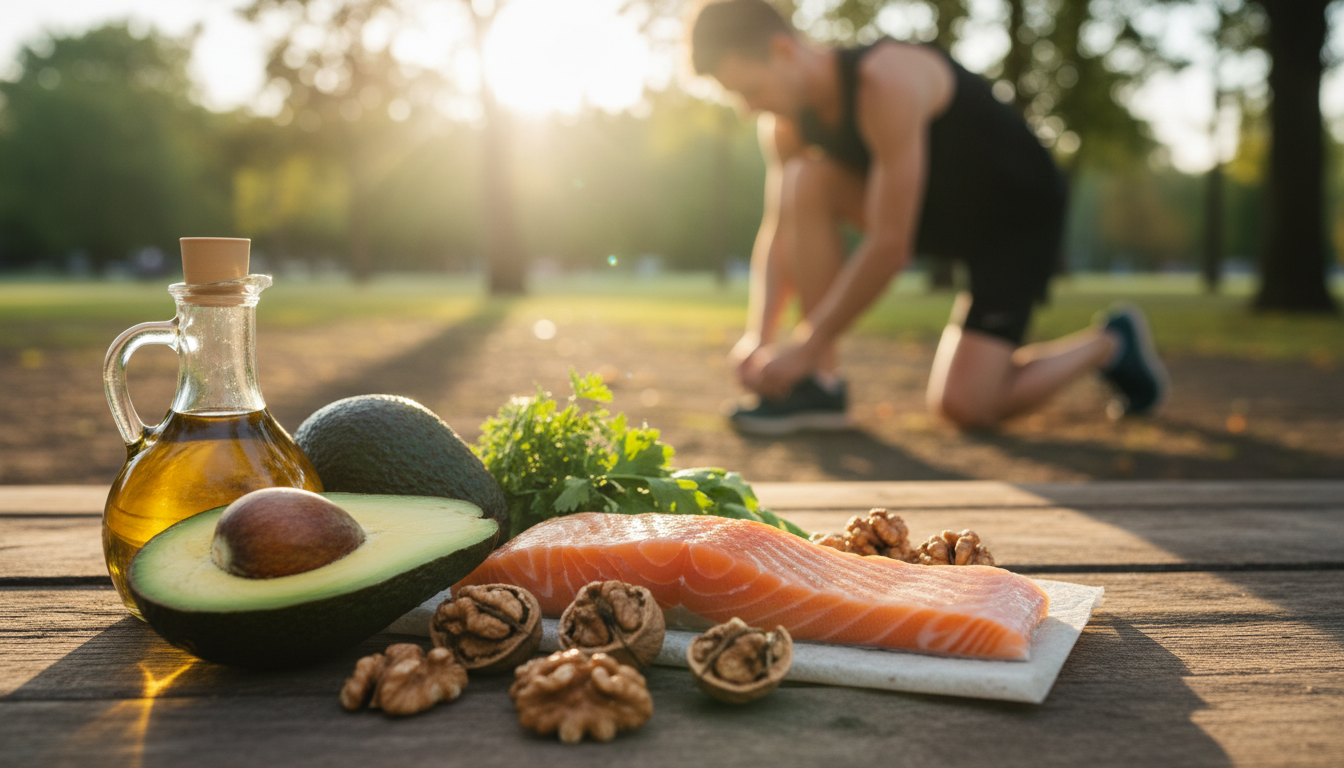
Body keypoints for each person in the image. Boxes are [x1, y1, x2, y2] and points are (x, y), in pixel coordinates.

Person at [688, 0, 1168, 434]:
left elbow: (889, 245)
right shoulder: (784, 124)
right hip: (931, 212)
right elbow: (780, 229)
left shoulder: (886, 81)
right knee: (803, 181)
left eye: (750, 89)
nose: (748, 108)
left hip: (1014, 218)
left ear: (782, 51)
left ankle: (1110, 343)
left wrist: (806, 342)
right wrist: (759, 337)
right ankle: (818, 385)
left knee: (965, 406)